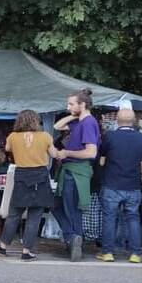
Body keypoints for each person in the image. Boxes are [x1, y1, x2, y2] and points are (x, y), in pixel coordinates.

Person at [0, 110, 56, 261]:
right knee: (34, 216)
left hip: (21, 176)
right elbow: (54, 154)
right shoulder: (45, 136)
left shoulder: (13, 136)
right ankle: (27, 251)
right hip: (40, 176)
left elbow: (7, 149)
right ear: (36, 121)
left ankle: (2, 247)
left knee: (14, 214)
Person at [96, 109, 142, 263]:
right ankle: (135, 254)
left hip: (112, 185)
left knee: (109, 218)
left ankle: (107, 252)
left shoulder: (110, 136)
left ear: (117, 121)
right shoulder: (141, 138)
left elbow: (101, 161)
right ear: (133, 121)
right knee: (133, 218)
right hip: (133, 186)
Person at [53, 88, 100, 262]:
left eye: (71, 104)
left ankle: (74, 240)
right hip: (70, 171)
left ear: (83, 104)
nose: (68, 106)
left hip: (76, 171)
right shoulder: (80, 121)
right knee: (58, 205)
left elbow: (90, 153)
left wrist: (67, 153)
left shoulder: (88, 123)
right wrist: (74, 114)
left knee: (72, 210)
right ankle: (72, 239)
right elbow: (57, 126)